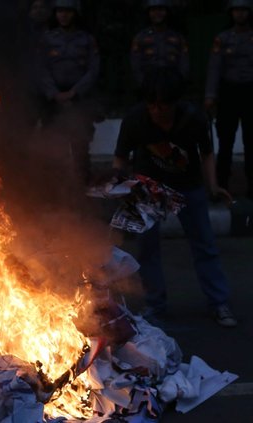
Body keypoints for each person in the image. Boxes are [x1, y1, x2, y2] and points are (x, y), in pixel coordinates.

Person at [113, 67, 237, 328]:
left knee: (204, 244)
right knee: (147, 248)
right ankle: (155, 306)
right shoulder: (136, 119)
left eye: (163, 106)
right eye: (152, 105)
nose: (157, 111)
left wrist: (213, 185)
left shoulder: (193, 118)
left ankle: (219, 303)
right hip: (147, 186)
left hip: (188, 185)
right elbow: (121, 157)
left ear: (175, 103)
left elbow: (206, 153)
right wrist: (118, 184)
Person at [36, 0, 100, 207]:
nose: (64, 16)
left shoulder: (86, 40)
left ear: (75, 14)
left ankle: (83, 195)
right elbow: (40, 68)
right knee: (53, 148)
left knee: (80, 149)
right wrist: (53, 93)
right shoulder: (46, 40)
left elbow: (93, 69)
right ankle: (53, 195)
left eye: (68, 12)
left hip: (78, 101)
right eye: (60, 12)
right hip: (53, 103)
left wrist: (75, 92)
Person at [205, 0, 253, 199]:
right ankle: (222, 186)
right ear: (231, 13)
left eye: (243, 10)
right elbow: (215, 68)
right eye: (236, 11)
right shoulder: (223, 38)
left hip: (251, 93)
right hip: (229, 93)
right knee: (226, 143)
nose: (240, 14)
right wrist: (210, 95)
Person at [130, 0, 189, 87]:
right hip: (147, 87)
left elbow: (184, 64)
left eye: (161, 9)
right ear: (148, 13)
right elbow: (135, 65)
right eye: (153, 10)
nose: (157, 13)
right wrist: (143, 83)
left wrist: (178, 82)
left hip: (173, 86)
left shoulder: (177, 37)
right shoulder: (140, 38)